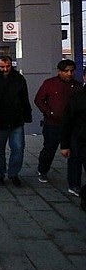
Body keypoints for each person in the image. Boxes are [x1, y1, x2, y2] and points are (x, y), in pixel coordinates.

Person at [34, 59, 82, 195]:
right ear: (59, 71)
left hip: (73, 127)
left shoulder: (78, 86)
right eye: (66, 71)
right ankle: (43, 170)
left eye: (72, 71)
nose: (69, 73)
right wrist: (49, 112)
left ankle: (74, 184)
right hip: (53, 124)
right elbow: (39, 100)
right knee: (49, 149)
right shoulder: (50, 84)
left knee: (75, 154)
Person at [0, 55, 32, 187]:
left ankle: (13, 174)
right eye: (2, 67)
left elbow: (24, 98)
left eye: (8, 66)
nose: (5, 69)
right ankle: (0, 174)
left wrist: (27, 114)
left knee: (18, 148)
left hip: (16, 120)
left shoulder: (18, 78)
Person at [60, 86, 86, 210]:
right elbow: (67, 121)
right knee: (75, 161)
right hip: (80, 138)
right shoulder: (77, 97)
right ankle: (75, 186)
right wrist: (64, 145)